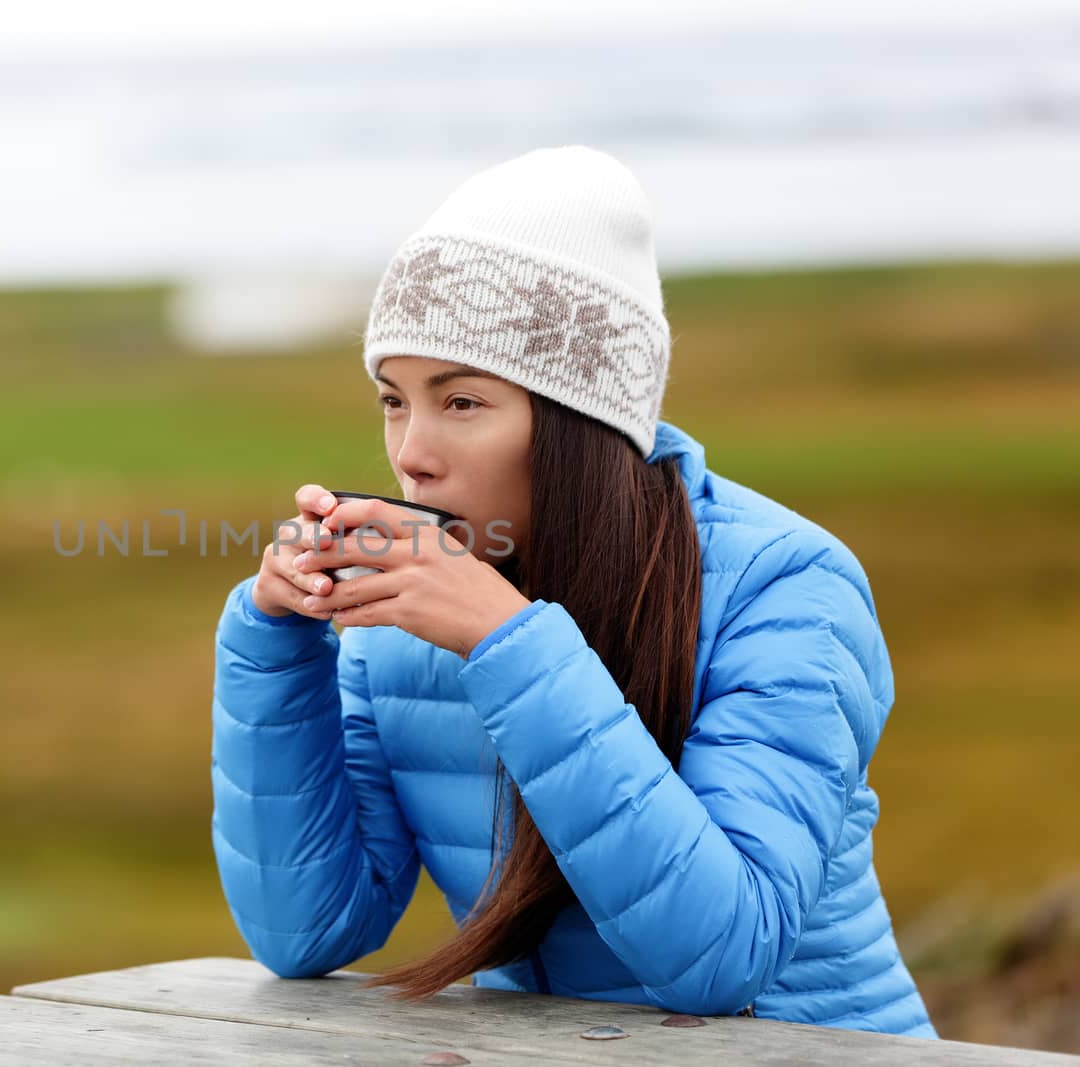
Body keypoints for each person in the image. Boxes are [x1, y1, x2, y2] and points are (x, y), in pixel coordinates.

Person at [208, 146, 937, 1038]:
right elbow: (307, 931)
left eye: (462, 401)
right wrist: (274, 642)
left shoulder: (786, 586)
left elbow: (723, 954)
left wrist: (507, 642)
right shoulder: (403, 610)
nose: (409, 453)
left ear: (578, 418)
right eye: (393, 399)